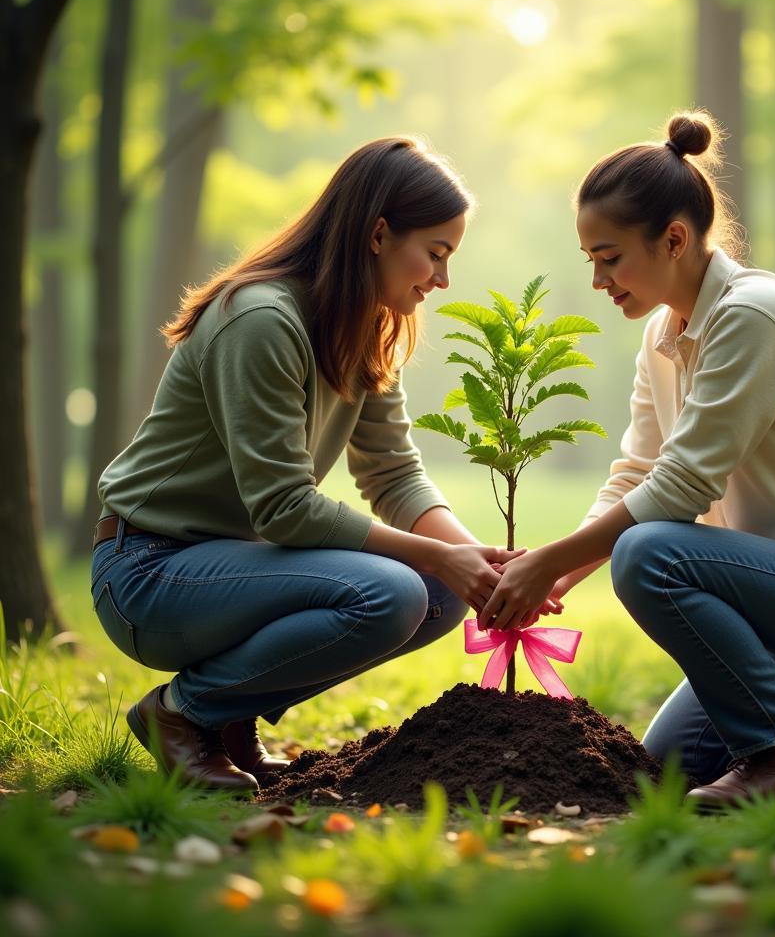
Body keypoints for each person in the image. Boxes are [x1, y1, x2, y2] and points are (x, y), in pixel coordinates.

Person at [478, 111, 775, 810]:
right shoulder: (662, 334)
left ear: (673, 239)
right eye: (590, 259)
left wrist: (549, 561)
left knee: (649, 555)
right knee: (673, 763)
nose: (597, 279)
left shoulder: (752, 315)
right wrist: (555, 576)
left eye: (609, 257)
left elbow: (681, 488)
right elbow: (638, 471)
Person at [91, 137, 522, 792]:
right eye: (435, 254)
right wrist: (436, 558)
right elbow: (284, 507)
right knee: (400, 588)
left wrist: (477, 566)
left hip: (239, 569)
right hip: (148, 571)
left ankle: (227, 720)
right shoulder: (260, 320)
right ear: (379, 234)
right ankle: (181, 715)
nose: (442, 280)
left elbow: (393, 474)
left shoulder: (367, 329)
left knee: (440, 595)